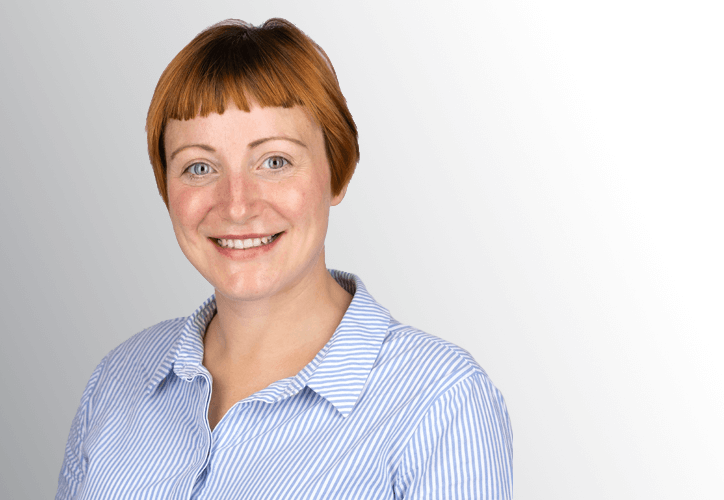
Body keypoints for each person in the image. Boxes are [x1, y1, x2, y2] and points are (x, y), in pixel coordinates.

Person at [56, 18, 512, 499]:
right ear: (166, 189)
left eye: (274, 161)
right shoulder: (117, 379)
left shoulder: (439, 402)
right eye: (199, 167)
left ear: (337, 173)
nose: (236, 204)